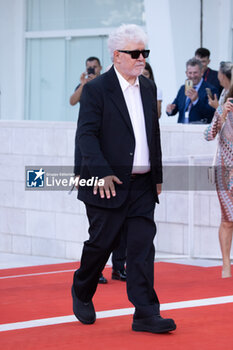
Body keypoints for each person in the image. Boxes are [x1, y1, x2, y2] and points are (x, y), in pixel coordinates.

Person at [71, 23, 176, 333]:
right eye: (135, 53)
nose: (141, 58)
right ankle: (82, 288)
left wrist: (155, 174)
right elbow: (86, 136)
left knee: (142, 247)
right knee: (101, 245)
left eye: (145, 52)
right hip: (106, 185)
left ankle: (146, 312)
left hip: (142, 186)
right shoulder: (96, 90)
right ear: (117, 56)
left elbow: (152, 134)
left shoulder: (149, 88)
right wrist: (101, 174)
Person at [72, 58, 127, 283]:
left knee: (122, 228)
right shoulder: (89, 89)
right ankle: (94, 271)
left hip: (121, 174)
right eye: (89, 65)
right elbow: (83, 139)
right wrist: (78, 172)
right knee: (99, 230)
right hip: (93, 174)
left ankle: (118, 266)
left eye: (95, 66)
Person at [204, 72, 233, 278]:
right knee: (228, 219)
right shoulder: (224, 108)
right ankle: (225, 265)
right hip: (225, 172)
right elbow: (208, 135)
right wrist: (221, 116)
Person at [166, 57, 218, 123]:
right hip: (182, 130)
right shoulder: (183, 88)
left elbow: (211, 113)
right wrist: (170, 109)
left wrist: (196, 100)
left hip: (199, 130)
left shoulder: (210, 89)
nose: (192, 76)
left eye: (195, 72)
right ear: (186, 73)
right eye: (190, 73)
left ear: (202, 72)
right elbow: (175, 107)